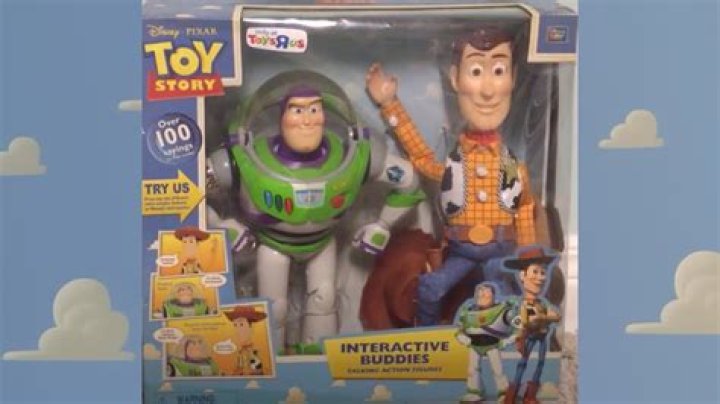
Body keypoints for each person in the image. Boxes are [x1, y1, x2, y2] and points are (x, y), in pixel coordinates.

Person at [208, 75, 424, 351]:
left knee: (324, 299)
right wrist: (222, 225)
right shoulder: (241, 161)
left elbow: (408, 181)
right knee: (274, 308)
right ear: (282, 116)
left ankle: (318, 359)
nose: (308, 120)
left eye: (314, 109)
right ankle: (271, 359)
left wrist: (382, 225)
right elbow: (189, 190)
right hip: (273, 246)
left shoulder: (354, 157)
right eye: (297, 110)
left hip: (322, 244)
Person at [366, 26, 537, 326]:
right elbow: (420, 156)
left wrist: (529, 258)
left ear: (513, 79)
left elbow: (524, 211)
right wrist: (390, 105)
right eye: (476, 71)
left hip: (500, 251)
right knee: (430, 288)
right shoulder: (454, 164)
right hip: (461, 252)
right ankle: (430, 339)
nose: (488, 90)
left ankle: (504, 338)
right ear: (455, 78)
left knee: (502, 292)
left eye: (499, 71)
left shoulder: (514, 167)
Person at [502, 247, 561, 404]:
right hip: (528, 337)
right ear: (523, 275)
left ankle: (530, 395)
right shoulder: (521, 303)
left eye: (543, 273)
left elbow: (556, 316)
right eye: (535, 272)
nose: (540, 278)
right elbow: (525, 321)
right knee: (522, 364)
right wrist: (541, 318)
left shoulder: (541, 303)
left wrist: (542, 317)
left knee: (540, 364)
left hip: (542, 337)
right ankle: (511, 395)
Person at [455, 282, 515, 402]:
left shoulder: (503, 311)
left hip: (493, 344)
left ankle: (504, 392)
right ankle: (474, 392)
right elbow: (459, 330)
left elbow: (518, 329)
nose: (482, 294)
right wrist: (463, 338)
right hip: (474, 345)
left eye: (486, 292)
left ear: (493, 295)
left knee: (498, 369)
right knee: (472, 370)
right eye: (480, 292)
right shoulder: (467, 312)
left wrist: (507, 341)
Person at [223, 305, 268, 376]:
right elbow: (238, 370)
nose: (237, 330)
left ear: (251, 328)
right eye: (235, 325)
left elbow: (260, 372)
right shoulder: (240, 352)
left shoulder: (257, 351)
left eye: (241, 325)